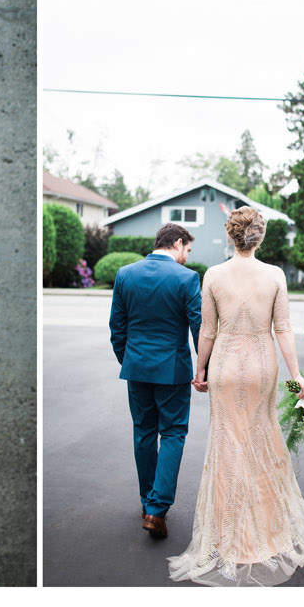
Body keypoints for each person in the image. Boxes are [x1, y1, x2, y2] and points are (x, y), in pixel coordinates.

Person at [168, 207, 304, 586]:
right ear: (260, 236)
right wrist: (296, 374)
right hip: (260, 365)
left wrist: (200, 370)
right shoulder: (274, 275)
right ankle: (264, 533)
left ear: (230, 236)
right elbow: (283, 328)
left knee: (228, 445)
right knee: (261, 442)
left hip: (225, 364)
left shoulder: (213, 275)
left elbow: (207, 330)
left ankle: (229, 535)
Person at [109, 223, 202, 540]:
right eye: (187, 249)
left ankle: (147, 502)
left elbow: (117, 326)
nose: (187, 256)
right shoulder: (187, 278)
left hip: (136, 367)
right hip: (172, 370)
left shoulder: (125, 274)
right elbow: (198, 327)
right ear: (177, 243)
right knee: (173, 432)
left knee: (144, 432)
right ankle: (157, 508)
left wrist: (129, 359)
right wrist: (204, 367)